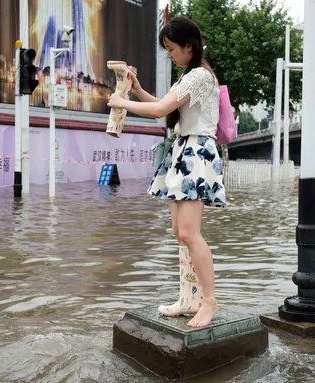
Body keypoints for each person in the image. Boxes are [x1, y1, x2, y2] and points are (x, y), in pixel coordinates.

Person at [107, 16, 225, 327]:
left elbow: (160, 111)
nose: (169, 55)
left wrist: (122, 102)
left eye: (171, 49)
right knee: (180, 233)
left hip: (196, 151)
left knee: (188, 232)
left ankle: (209, 301)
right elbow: (164, 106)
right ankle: (190, 298)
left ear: (189, 47)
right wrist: (137, 91)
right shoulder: (189, 77)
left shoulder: (200, 76)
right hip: (183, 151)